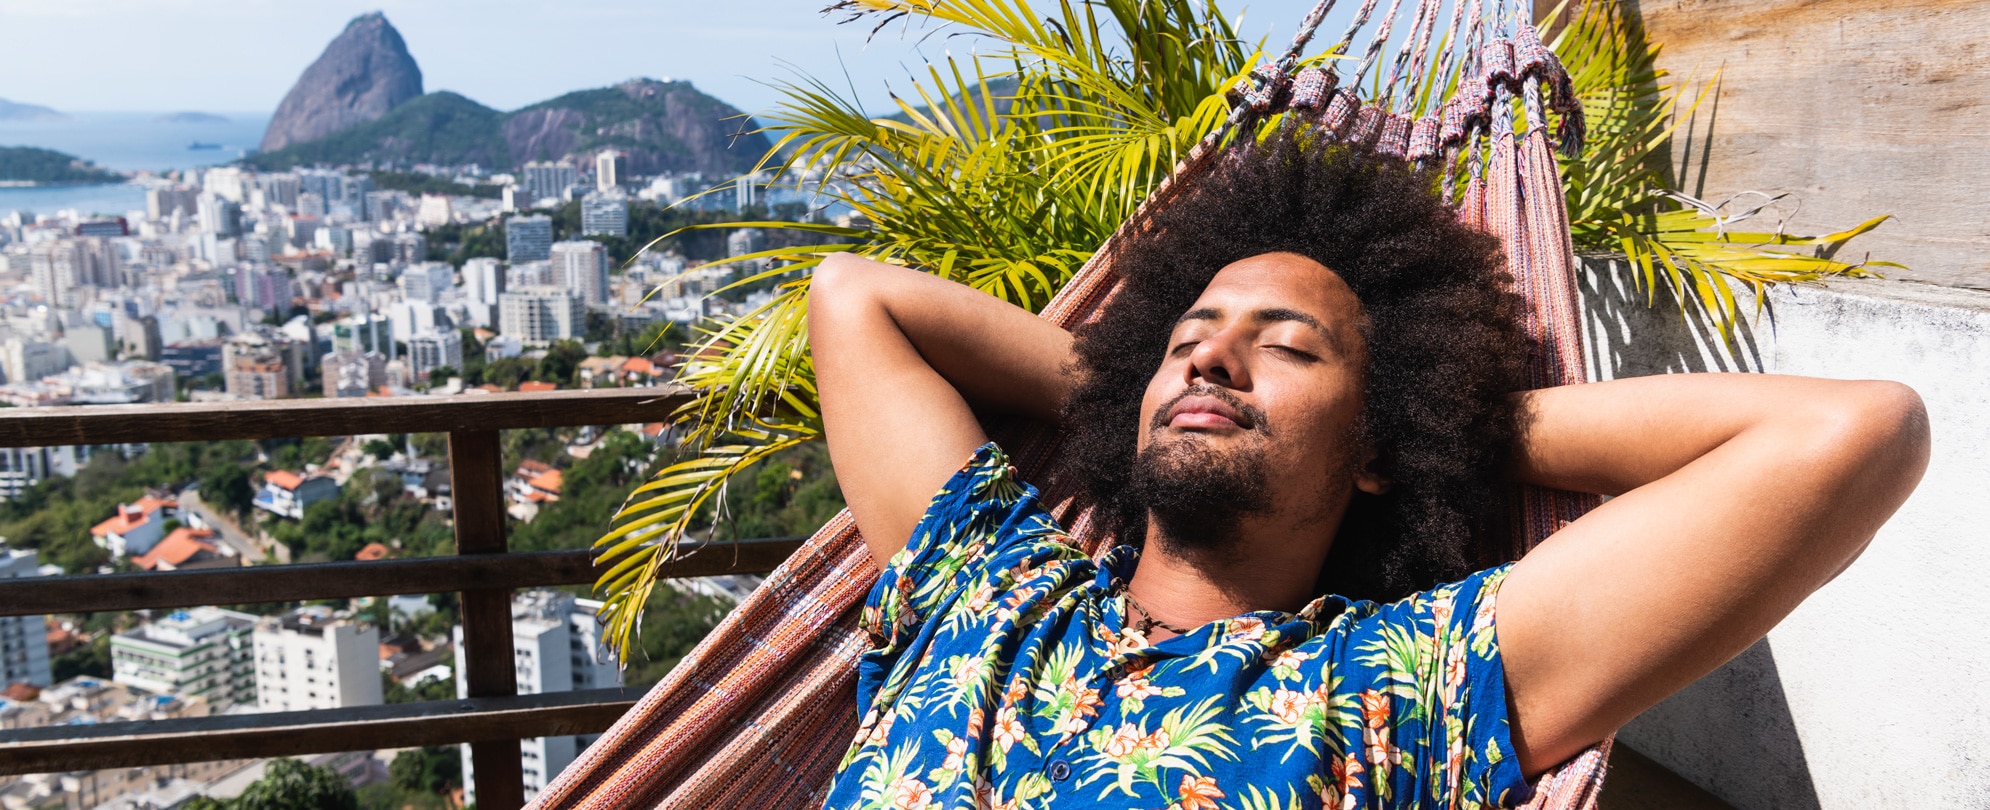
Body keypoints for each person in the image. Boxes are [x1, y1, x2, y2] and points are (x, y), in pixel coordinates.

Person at [807, 133, 1928, 809]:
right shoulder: (987, 582)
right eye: (1186, 335)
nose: (1210, 351)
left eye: (1288, 347)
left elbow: (1853, 434)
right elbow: (854, 297)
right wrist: (1139, 389)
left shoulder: (1401, 684)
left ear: (1380, 446)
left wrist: (1439, 428)